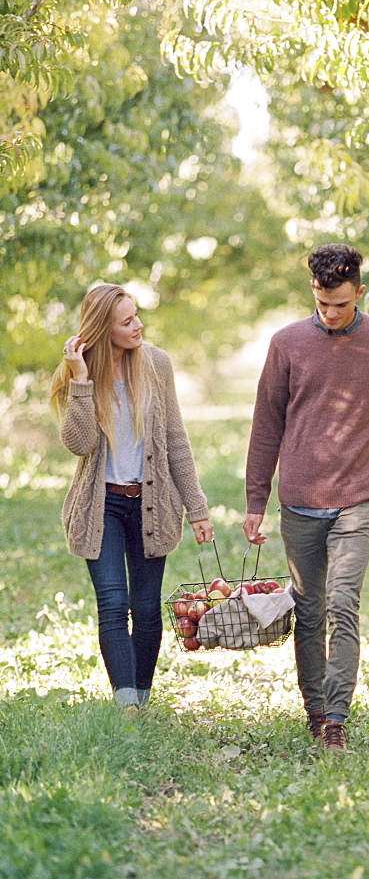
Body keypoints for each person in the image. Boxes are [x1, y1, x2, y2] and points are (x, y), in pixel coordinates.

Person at [243, 244, 369, 752]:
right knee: (307, 611)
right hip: (300, 499)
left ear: (360, 293)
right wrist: (255, 500)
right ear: (313, 290)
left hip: (357, 497)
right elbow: (267, 423)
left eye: (342, 305)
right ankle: (314, 709)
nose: (331, 314)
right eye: (323, 303)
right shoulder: (287, 343)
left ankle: (336, 717)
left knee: (342, 603)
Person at [50, 283, 213, 710]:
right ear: (105, 328)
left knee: (145, 611)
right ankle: (128, 708)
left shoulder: (157, 364)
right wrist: (82, 382)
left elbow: (176, 439)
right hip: (100, 505)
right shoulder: (79, 371)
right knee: (112, 605)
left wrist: (196, 508)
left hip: (150, 504)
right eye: (127, 321)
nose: (138, 325)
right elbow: (80, 444)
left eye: (136, 315)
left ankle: (141, 696)